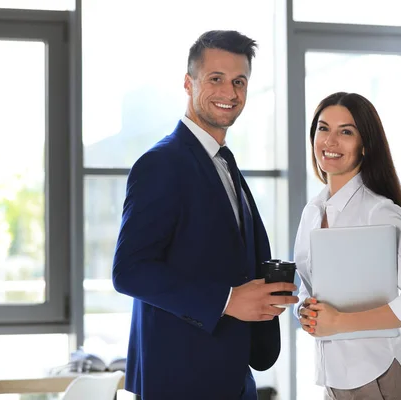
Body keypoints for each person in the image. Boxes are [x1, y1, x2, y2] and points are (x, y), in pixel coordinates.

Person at [112, 30, 298, 400]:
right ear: (188, 83)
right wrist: (227, 300)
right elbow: (129, 271)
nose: (229, 93)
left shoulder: (224, 163)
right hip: (181, 378)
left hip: (232, 372)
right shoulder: (161, 164)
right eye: (216, 79)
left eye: (239, 82)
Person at [294, 92, 401, 400]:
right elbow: (310, 287)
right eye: (323, 128)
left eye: (346, 132)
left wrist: (341, 322)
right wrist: (304, 310)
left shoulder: (379, 211)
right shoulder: (313, 211)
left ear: (365, 145)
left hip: (381, 376)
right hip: (333, 378)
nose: (330, 141)